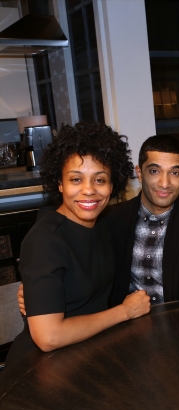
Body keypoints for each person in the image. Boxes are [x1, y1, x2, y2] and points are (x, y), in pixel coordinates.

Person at [6, 122, 151, 365]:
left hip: (88, 354)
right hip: (42, 370)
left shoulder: (102, 226)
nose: (88, 190)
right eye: (76, 179)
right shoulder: (45, 240)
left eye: (99, 180)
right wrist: (125, 312)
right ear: (60, 184)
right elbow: (48, 337)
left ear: (112, 185)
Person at [104, 135, 179, 305]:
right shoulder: (112, 220)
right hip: (122, 324)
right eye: (154, 171)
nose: (165, 183)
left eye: (174, 173)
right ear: (139, 173)